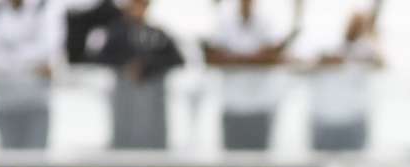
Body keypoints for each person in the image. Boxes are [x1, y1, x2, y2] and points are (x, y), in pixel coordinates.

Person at [90, 0, 183, 149]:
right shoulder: (116, 32)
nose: (137, 9)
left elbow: (177, 59)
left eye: (142, 5)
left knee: (151, 140)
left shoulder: (157, 34)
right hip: (125, 100)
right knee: (124, 139)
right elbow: (101, 58)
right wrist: (127, 65)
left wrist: (147, 66)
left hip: (151, 102)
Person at [0, 0, 65, 149]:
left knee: (36, 164)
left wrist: (9, 56)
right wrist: (33, 64)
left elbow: (50, 48)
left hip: (37, 102)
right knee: (6, 161)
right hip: (4, 102)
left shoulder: (44, 6)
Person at [205, 0, 294, 151]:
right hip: (232, 105)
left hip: (260, 105)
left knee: (260, 162)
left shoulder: (267, 22)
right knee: (232, 164)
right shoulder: (224, 22)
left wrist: (236, 58)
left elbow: (274, 57)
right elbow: (213, 58)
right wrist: (254, 58)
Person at [303, 10, 382, 152]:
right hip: (325, 119)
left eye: (360, 25)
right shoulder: (329, 44)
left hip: (353, 120)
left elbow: (381, 63)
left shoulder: (366, 49)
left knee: (353, 165)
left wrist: (373, 36)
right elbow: (309, 63)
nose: (355, 27)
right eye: (353, 23)